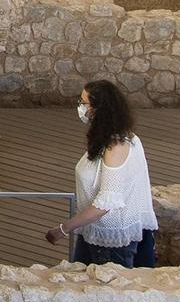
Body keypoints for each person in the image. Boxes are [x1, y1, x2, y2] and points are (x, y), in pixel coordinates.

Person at [46, 80, 157, 267]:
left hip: (110, 240)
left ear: (99, 108)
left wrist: (63, 229)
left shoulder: (116, 145)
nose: (80, 108)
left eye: (84, 103)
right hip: (92, 230)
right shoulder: (111, 137)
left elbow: (106, 203)